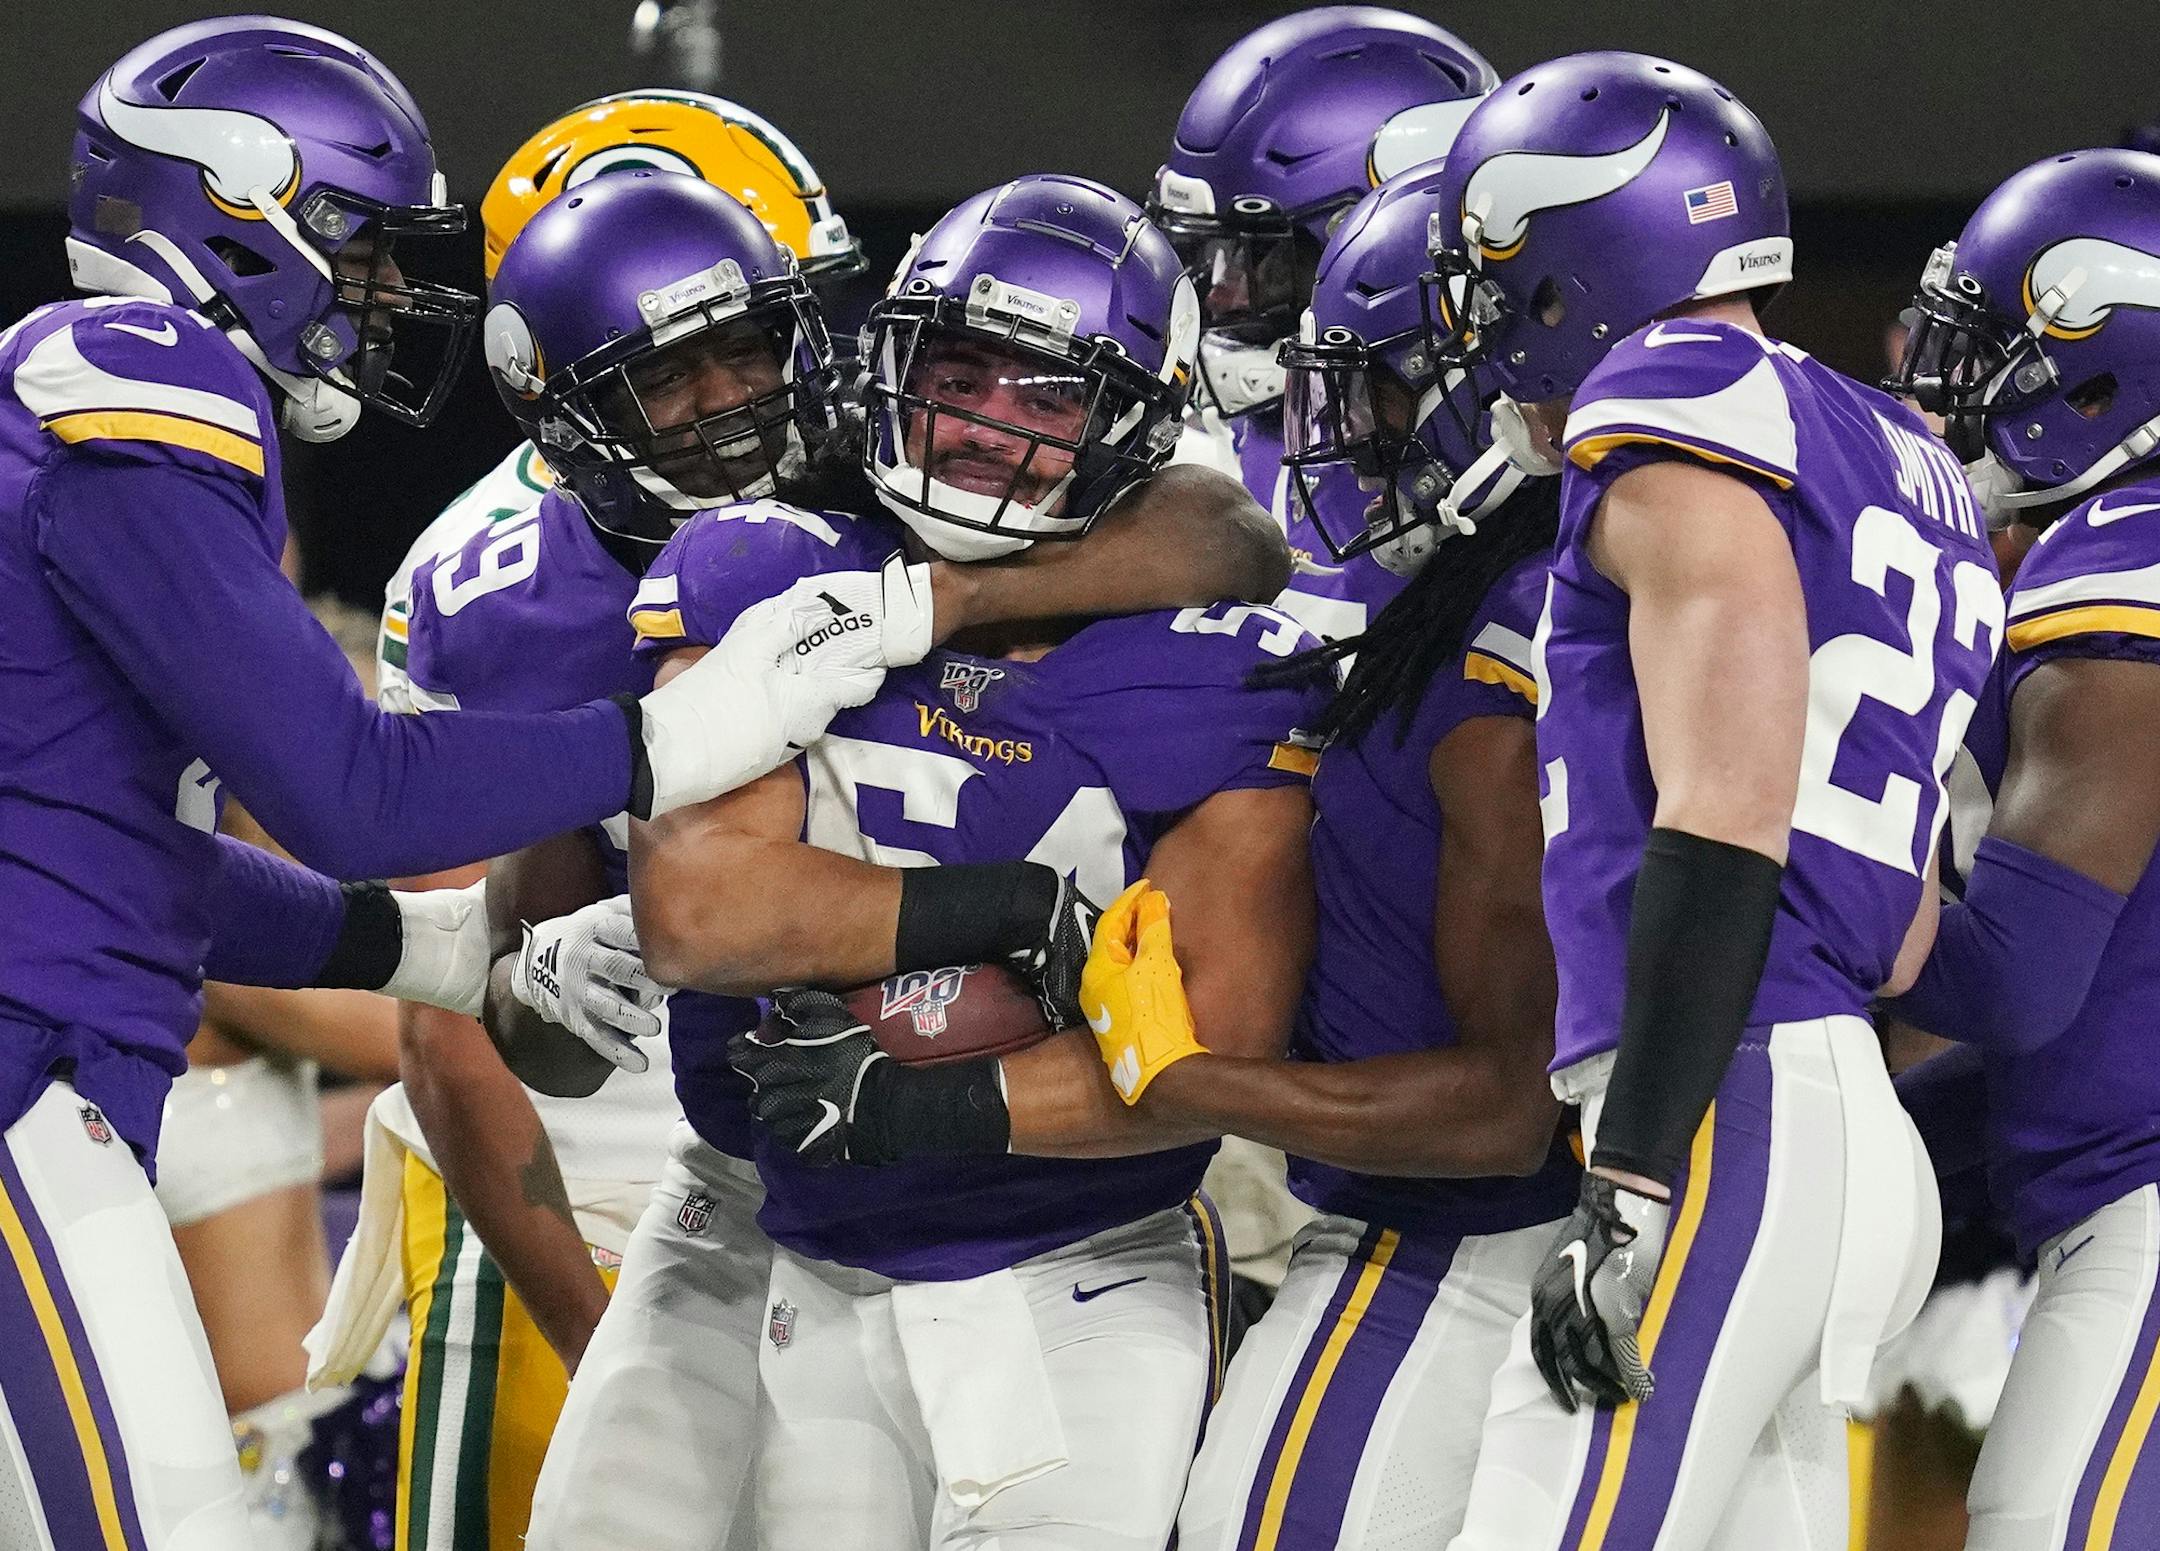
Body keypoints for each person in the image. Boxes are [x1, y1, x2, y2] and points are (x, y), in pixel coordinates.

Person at [0, 20, 887, 1547]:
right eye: (362, 252)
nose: (389, 300)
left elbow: (132, 854)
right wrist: (668, 735)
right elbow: (349, 789)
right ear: (241, 209)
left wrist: (437, 947)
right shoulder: (136, 389)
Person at [330, 167, 1292, 1551]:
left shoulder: (1178, 620)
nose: (731, 409)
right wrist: (546, 980)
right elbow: (666, 935)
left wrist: (941, 597)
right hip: (765, 1190)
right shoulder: (699, 567)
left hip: (1058, 1230)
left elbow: (1227, 534)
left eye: (751, 352)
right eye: (962, 372)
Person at [599, 174, 1328, 1550]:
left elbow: (1211, 1046)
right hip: (807, 1248)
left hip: (1082, 1270)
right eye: (958, 368)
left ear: (1133, 425)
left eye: (1046, 392)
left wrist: (923, 1105)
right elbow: (703, 911)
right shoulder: (770, 566)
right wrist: (1013, 917)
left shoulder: (1221, 660)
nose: (985, 421)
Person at [1419, 51, 1994, 1548]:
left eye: (1503, 277)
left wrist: (1632, 1167)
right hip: (1837, 1111)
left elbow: (1729, 805)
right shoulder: (1895, 443)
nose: (1491, 329)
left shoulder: (1675, 394)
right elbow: (1912, 910)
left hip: (1726, 1113)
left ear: (1576, 261)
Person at [1076, 160, 1575, 1551]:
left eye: (1384, 389)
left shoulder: (1499, 666)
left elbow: (1503, 1105)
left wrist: (1190, 1079)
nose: (1346, 434)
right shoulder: (1487, 599)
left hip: (1457, 1251)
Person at [1882, 146, 2160, 1548]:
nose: (1941, 387)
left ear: (2101, 373)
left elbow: (2016, 980)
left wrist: (1800, 895)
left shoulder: (2122, 586)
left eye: (1979, 352)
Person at [378, 86, 868, 712]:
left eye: (754, 342)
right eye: (664, 374)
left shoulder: (879, 489)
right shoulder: (478, 597)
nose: (731, 398)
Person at [1149, 4, 1494, 643]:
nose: (1220, 289)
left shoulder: (1514, 445)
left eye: (1263, 264)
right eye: (1209, 254)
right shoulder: (1209, 448)